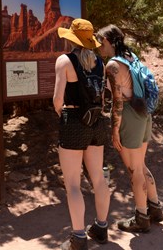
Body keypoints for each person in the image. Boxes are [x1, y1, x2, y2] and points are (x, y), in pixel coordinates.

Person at [95, 24, 163, 233]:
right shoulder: (131, 56)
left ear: (107, 41)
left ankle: (141, 217)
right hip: (143, 113)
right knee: (141, 166)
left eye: (100, 42)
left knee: (134, 170)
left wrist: (114, 129)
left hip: (129, 115)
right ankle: (154, 208)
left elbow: (117, 101)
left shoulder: (113, 66)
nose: (99, 46)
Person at [53, 19, 110, 250]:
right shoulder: (99, 63)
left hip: (74, 122)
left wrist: (63, 114)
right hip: (96, 123)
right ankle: (101, 227)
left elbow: (58, 99)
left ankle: (78, 238)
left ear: (71, 39)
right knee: (98, 178)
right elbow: (102, 98)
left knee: (73, 185)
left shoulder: (65, 60)